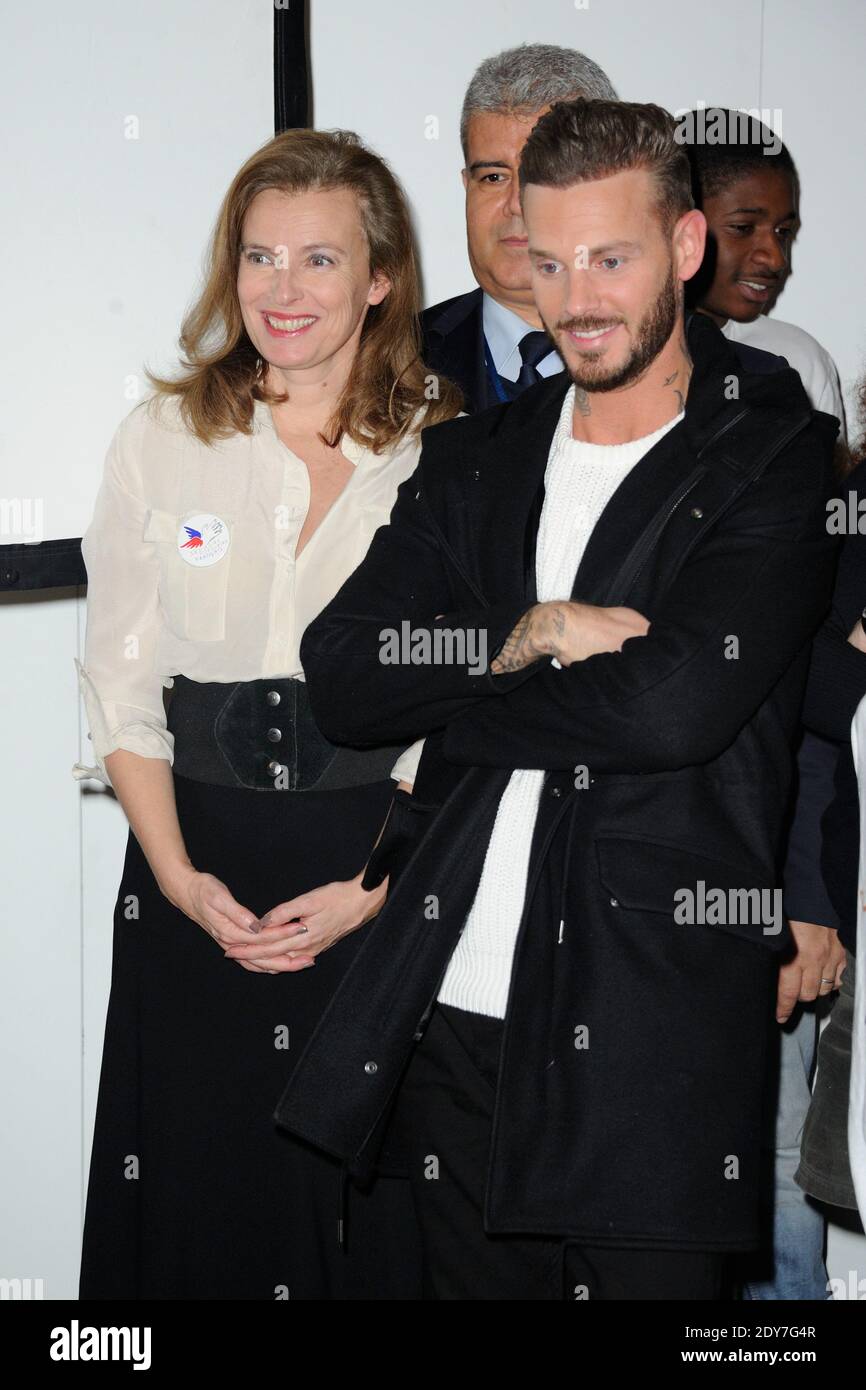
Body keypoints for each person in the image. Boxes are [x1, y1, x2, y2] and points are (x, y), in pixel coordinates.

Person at [268, 100, 840, 1299]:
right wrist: (532, 633)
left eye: (611, 258)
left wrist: (456, 704)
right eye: (548, 259)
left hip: (652, 1039)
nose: (575, 297)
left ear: (684, 249)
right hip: (452, 1021)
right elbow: (345, 673)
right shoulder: (478, 455)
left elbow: (674, 708)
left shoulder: (769, 449)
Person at [72, 127, 460, 1299]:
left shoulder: (448, 453)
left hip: (373, 875)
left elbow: (460, 701)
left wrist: (374, 892)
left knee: (367, 1216)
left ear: (382, 277)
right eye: (258, 257)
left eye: (319, 261)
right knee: (194, 1201)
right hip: (196, 875)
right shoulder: (163, 439)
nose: (280, 291)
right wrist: (181, 881)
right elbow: (120, 685)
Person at [684, 109, 849, 1300]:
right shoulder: (591, 383)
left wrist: (804, 894)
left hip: (771, 846)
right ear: (682, 227)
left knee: (782, 1172)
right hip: (640, 858)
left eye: (784, 229)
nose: (774, 256)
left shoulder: (793, 374)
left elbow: (809, 689)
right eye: (748, 225)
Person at [420, 43, 617, 412]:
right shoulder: (388, 366)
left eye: (539, 174)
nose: (515, 203)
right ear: (467, 185)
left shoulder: (712, 377)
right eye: (493, 177)